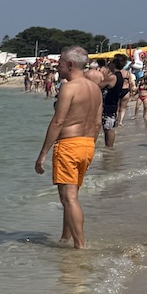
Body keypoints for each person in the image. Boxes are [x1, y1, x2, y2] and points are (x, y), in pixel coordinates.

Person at [34, 46, 102, 249]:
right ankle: (65, 236)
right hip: (87, 144)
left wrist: (43, 154)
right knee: (69, 195)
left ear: (70, 65)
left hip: (69, 145)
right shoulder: (95, 89)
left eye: (60, 63)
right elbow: (98, 123)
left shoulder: (69, 87)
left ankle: (80, 245)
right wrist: (90, 145)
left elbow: (58, 122)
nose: (58, 66)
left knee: (69, 197)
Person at [98, 53, 129, 147]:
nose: (108, 64)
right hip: (113, 104)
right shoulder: (119, 76)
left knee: (108, 128)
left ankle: (109, 148)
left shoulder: (112, 77)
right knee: (109, 128)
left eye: (110, 62)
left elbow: (97, 86)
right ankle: (109, 149)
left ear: (114, 64)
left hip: (108, 105)